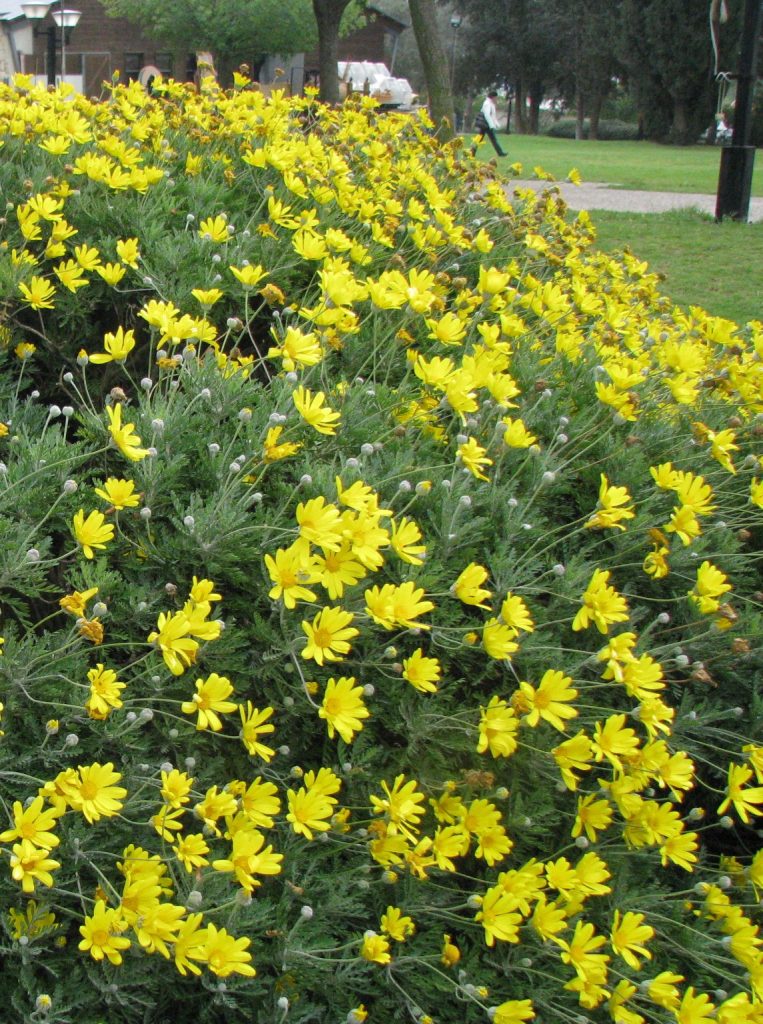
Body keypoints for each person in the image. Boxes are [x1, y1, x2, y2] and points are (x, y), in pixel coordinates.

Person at [471, 90, 506, 157]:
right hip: (486, 125)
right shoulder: (487, 103)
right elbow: (487, 115)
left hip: (486, 125)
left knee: (480, 138)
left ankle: (472, 152)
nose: (496, 99)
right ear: (493, 97)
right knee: (491, 139)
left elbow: (493, 115)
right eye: (496, 97)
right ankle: (500, 153)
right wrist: (491, 125)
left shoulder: (491, 104)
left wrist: (496, 124)